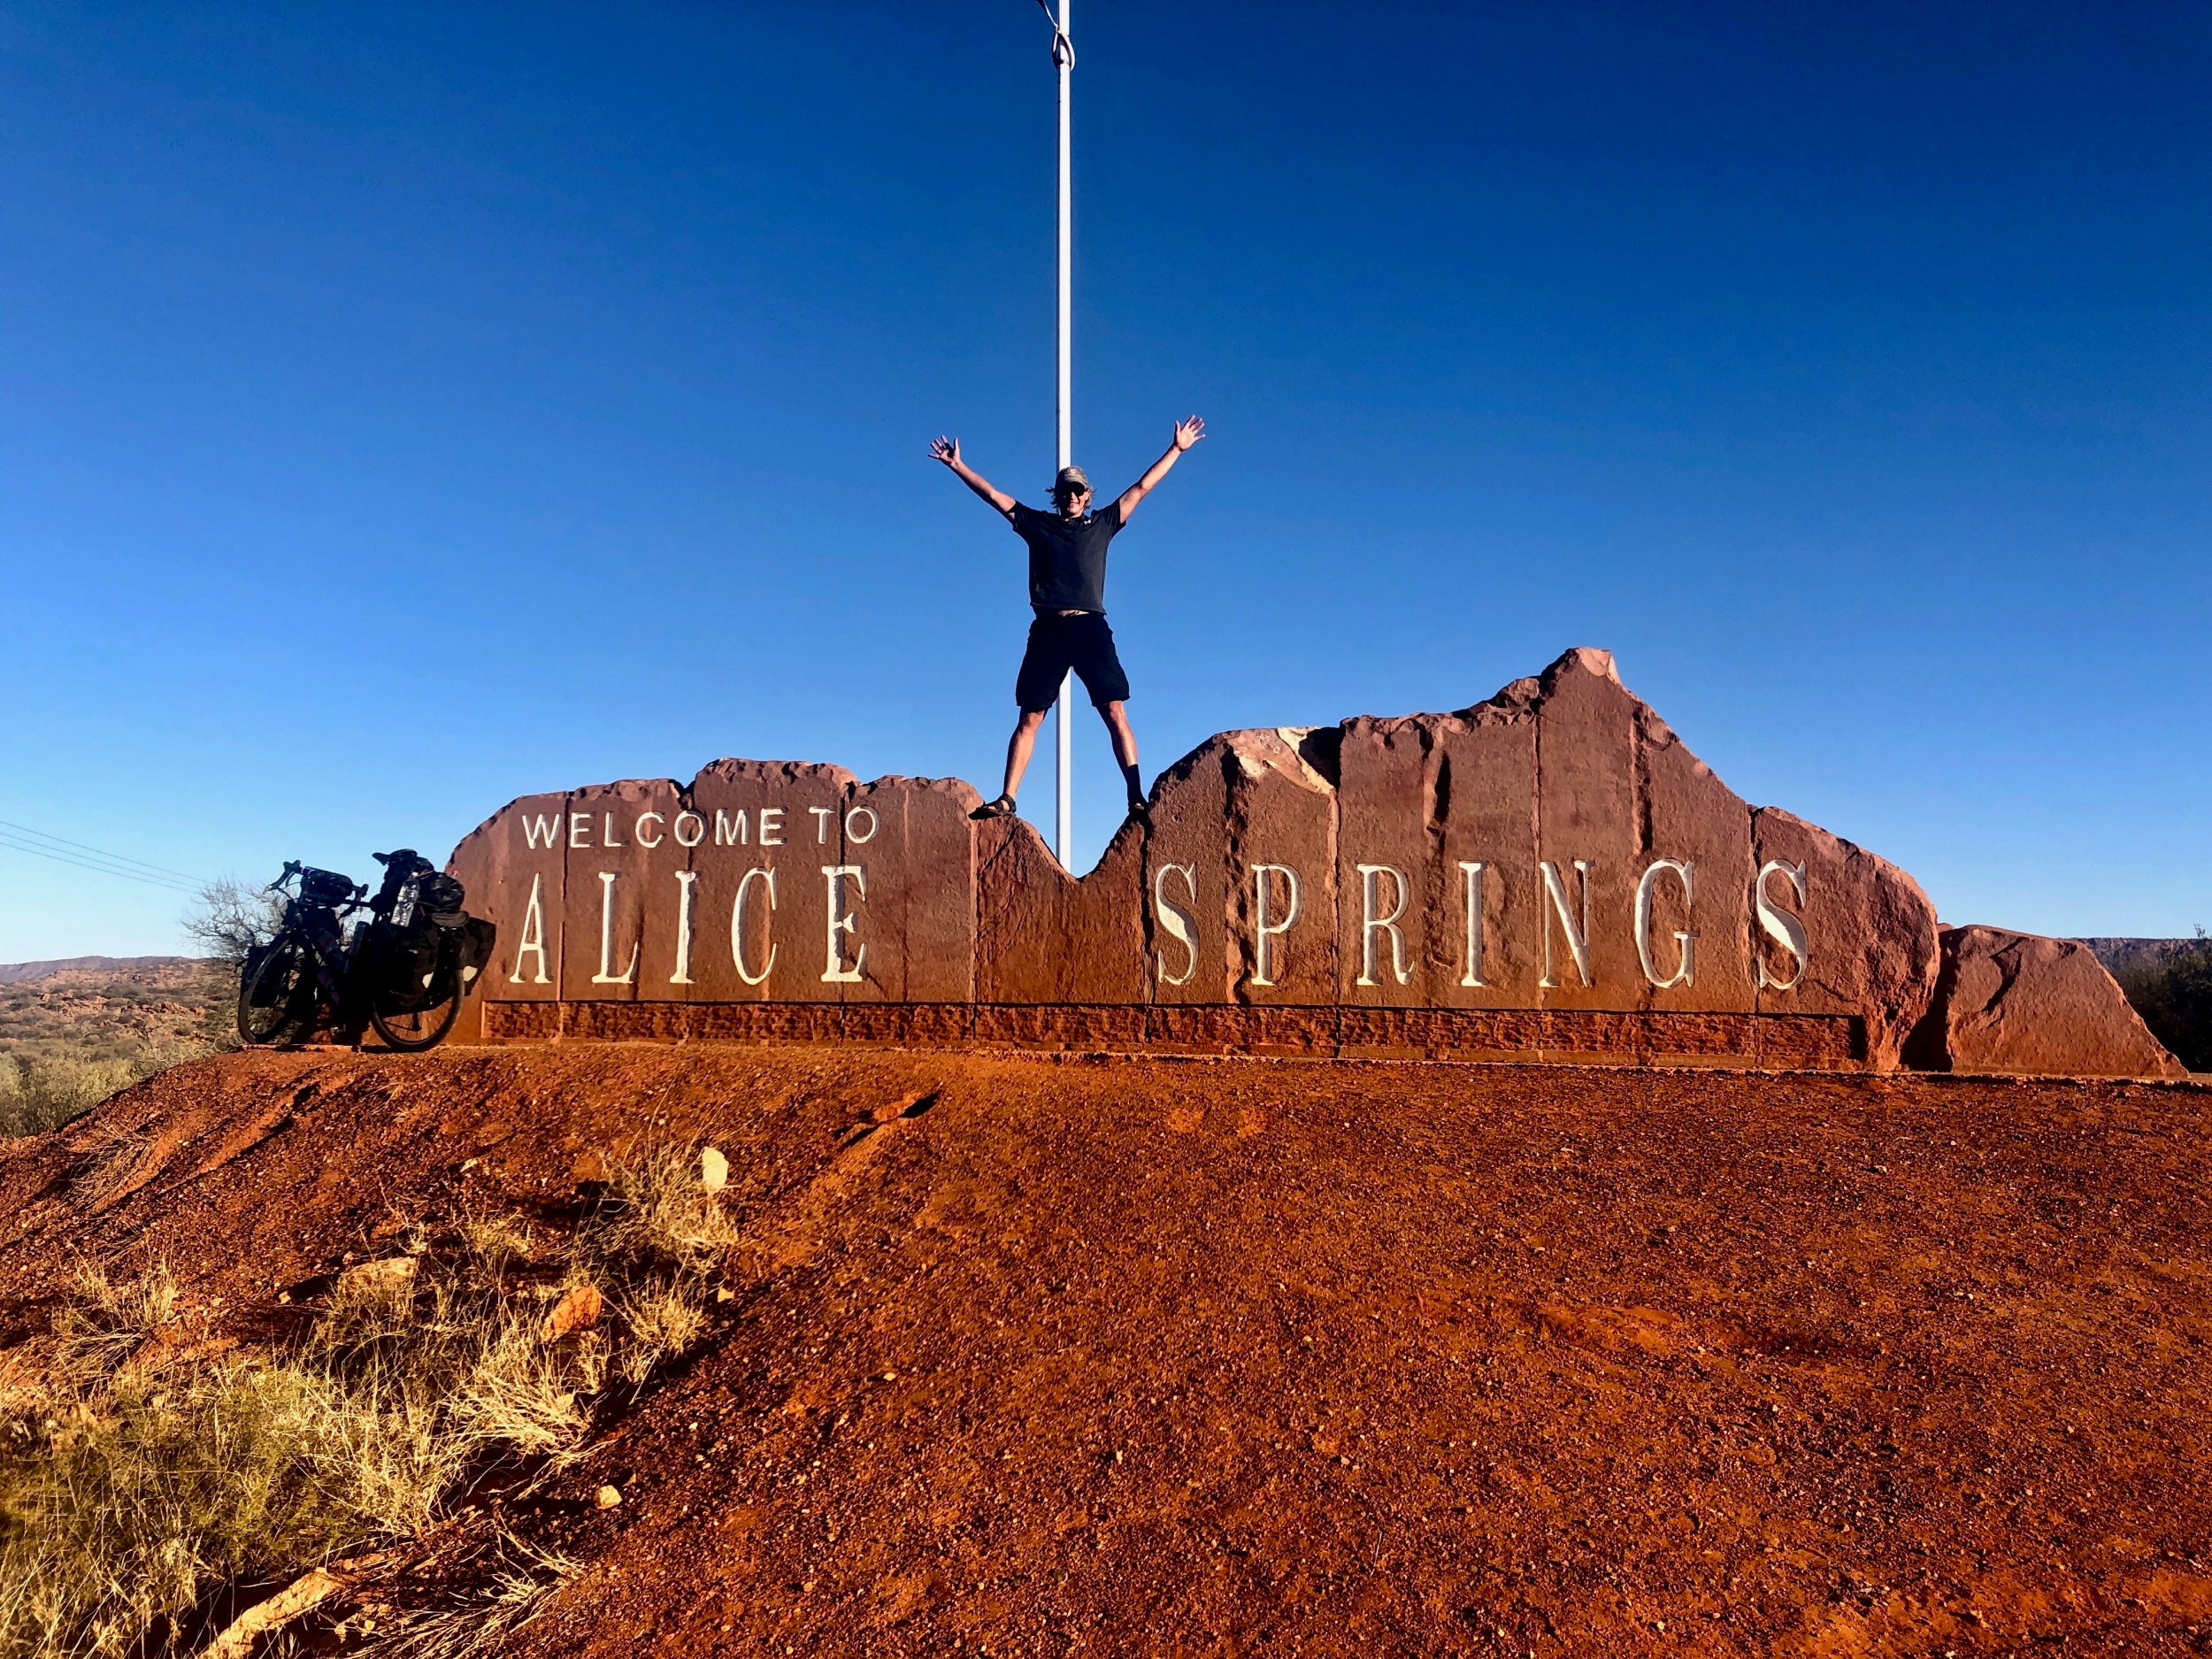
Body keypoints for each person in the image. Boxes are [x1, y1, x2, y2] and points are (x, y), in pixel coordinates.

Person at [930, 416, 1205, 826]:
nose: (1072, 495)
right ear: (1057, 495)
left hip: (1090, 628)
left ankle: (1136, 796)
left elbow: (1142, 488)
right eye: (1066, 490)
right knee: (1030, 716)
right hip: (1048, 631)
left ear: (1087, 495)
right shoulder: (1037, 525)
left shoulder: (1104, 524)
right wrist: (957, 467)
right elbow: (993, 495)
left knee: (1114, 710)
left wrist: (1177, 449)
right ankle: (1008, 797)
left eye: (1078, 490)